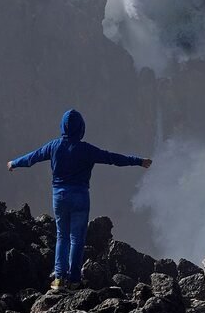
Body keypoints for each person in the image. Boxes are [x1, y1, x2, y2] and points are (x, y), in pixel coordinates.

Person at [8, 108, 152, 290]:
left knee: (62, 236)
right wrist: (138, 161)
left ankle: (59, 279)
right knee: (77, 238)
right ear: (81, 128)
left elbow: (32, 158)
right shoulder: (86, 150)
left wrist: (14, 163)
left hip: (59, 196)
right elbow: (112, 158)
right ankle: (75, 280)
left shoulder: (54, 146)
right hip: (80, 197)